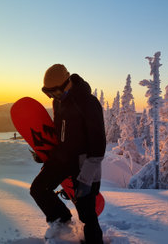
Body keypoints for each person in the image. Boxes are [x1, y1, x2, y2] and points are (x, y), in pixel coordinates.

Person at [30, 64, 105, 243]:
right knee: (39, 189)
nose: (53, 97)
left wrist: (86, 179)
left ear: (67, 83)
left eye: (55, 92)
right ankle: (62, 224)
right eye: (49, 94)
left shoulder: (88, 102)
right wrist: (45, 154)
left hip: (85, 162)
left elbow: (98, 145)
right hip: (62, 158)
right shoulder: (59, 101)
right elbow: (59, 135)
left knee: (87, 213)